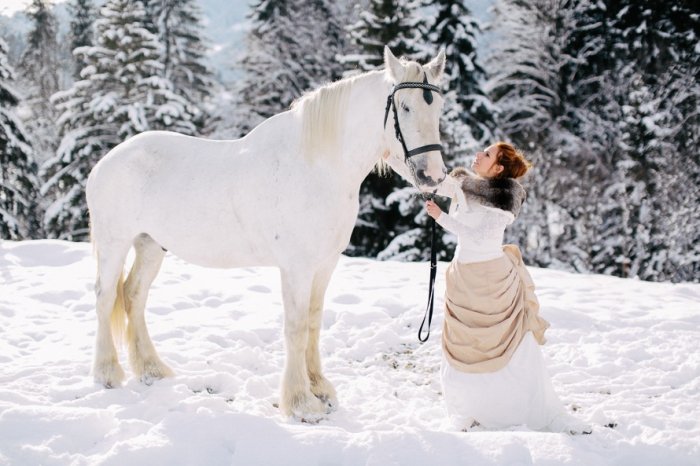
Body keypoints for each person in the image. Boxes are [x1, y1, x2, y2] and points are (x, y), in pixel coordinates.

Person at [425, 142, 591, 434]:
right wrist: (391, 157)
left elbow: (481, 239)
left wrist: (442, 218)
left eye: (486, 154)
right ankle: (469, 409)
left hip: (491, 279)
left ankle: (516, 410)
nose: (478, 155)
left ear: (498, 168)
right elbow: (430, 178)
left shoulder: (503, 198)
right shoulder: (466, 185)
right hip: (463, 278)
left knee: (506, 344)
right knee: (463, 345)